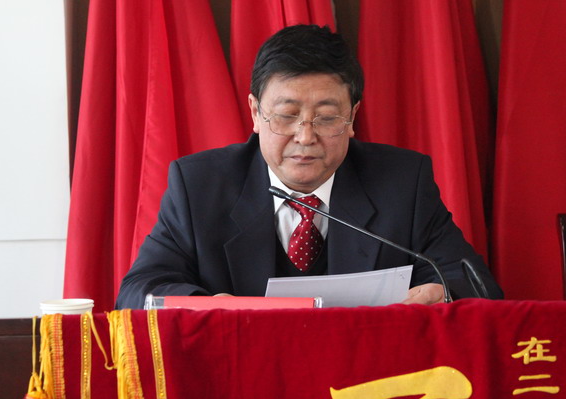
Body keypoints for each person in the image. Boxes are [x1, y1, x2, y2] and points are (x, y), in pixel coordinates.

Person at [116, 25, 503, 309]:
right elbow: (138, 292)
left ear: (352, 117)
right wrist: (208, 307)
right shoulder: (199, 186)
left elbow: (476, 285)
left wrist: (443, 294)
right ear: (255, 112)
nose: (305, 137)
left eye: (327, 117)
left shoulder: (402, 183)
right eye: (286, 115)